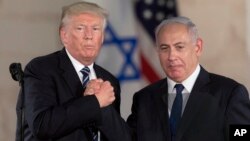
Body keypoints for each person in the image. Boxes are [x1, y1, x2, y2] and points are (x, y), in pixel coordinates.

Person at [16, 1, 131, 141]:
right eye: (80, 28)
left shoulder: (109, 80)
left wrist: (101, 105)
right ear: (64, 35)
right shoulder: (41, 69)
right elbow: (41, 126)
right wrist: (93, 102)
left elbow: (121, 137)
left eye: (95, 29)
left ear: (102, 37)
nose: (89, 35)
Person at [127, 16, 250, 141]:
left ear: (197, 47)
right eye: (164, 48)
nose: (171, 56)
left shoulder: (229, 94)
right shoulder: (144, 99)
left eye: (179, 47)